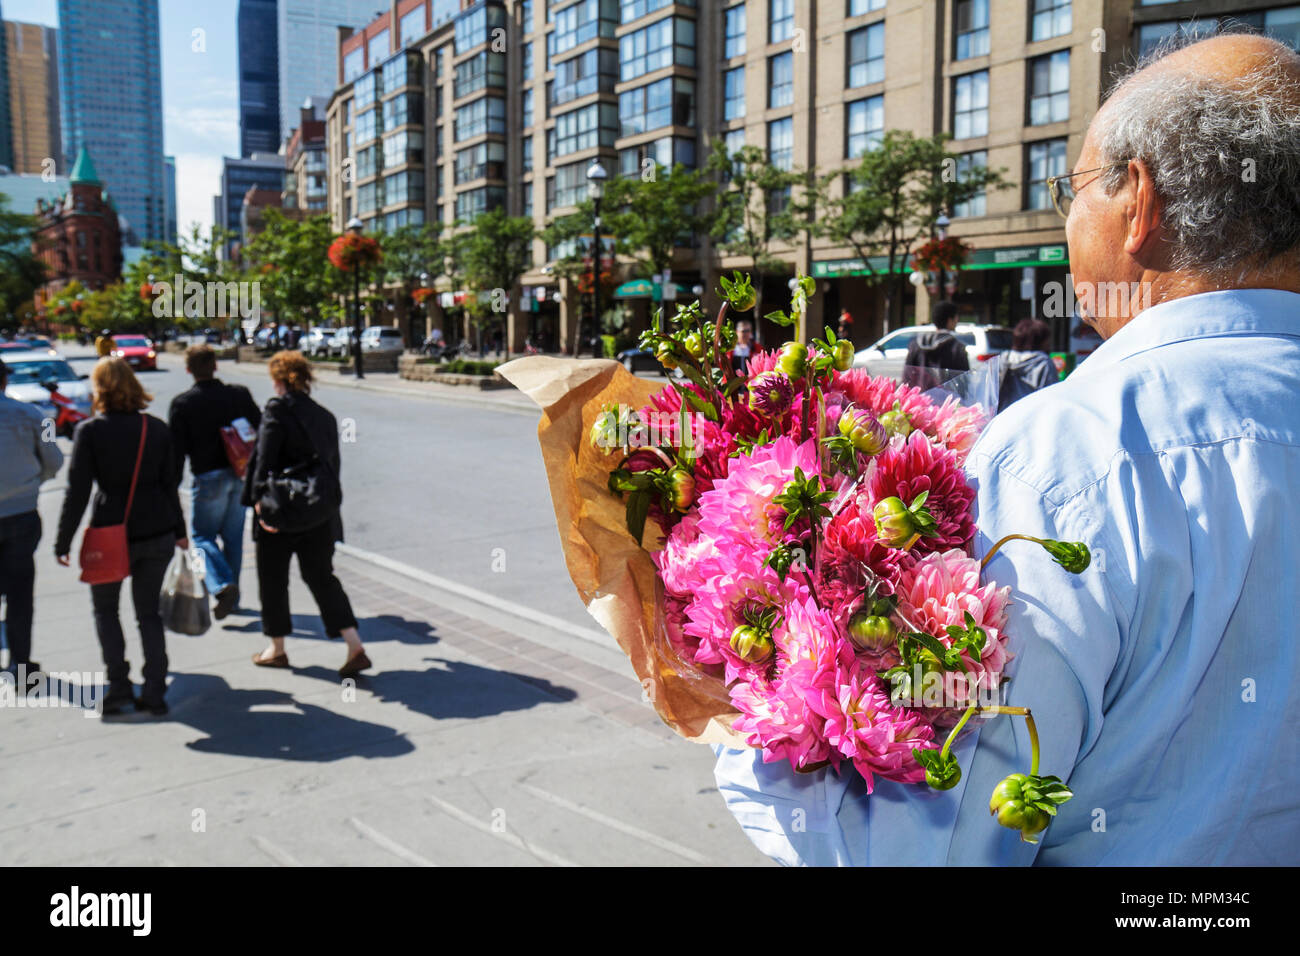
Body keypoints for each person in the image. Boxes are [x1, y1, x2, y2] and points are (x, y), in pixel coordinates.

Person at [714, 32, 1300, 864]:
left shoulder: (1073, 455)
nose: (1067, 218)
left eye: (1074, 188)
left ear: (1138, 202)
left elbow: (926, 847)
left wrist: (750, 684)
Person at [54, 359, 188, 716]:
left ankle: (119, 687)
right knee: (149, 614)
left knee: (105, 611)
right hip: (158, 529)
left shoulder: (90, 431)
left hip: (109, 531)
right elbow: (169, 486)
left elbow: (77, 491)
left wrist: (63, 541)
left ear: (100, 389)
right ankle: (156, 690)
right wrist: (181, 532)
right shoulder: (156, 429)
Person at [242, 351, 369, 678]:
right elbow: (331, 467)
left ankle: (277, 648)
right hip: (318, 512)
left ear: (279, 379)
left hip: (281, 510)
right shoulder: (324, 416)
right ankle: (353, 643)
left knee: (273, 579)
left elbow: (263, 460)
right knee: (321, 577)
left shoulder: (276, 410)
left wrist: (256, 500)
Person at [168, 345, 262, 619]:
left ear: (188, 370)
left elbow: (177, 451)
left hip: (207, 477)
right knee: (233, 538)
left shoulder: (183, 404)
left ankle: (221, 586)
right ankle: (232, 595)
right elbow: (260, 427)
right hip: (240, 474)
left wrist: (171, 485)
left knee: (201, 538)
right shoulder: (238, 395)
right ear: (215, 366)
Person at [0, 358, 64, 681]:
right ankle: (21, 667)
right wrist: (34, 482)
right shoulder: (31, 415)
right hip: (21, 514)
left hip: (20, 513)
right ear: (4, 381)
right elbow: (54, 460)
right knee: (19, 594)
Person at [902, 301, 969, 390]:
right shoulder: (957, 347)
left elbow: (907, 377)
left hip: (920, 399)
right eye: (956, 318)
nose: (957, 321)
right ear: (950, 320)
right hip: (946, 400)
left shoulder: (916, 344)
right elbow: (964, 381)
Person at [993, 318, 1057, 412]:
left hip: (1004, 413)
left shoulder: (1004, 358)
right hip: (1031, 414)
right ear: (1041, 340)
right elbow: (1052, 396)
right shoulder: (1044, 363)